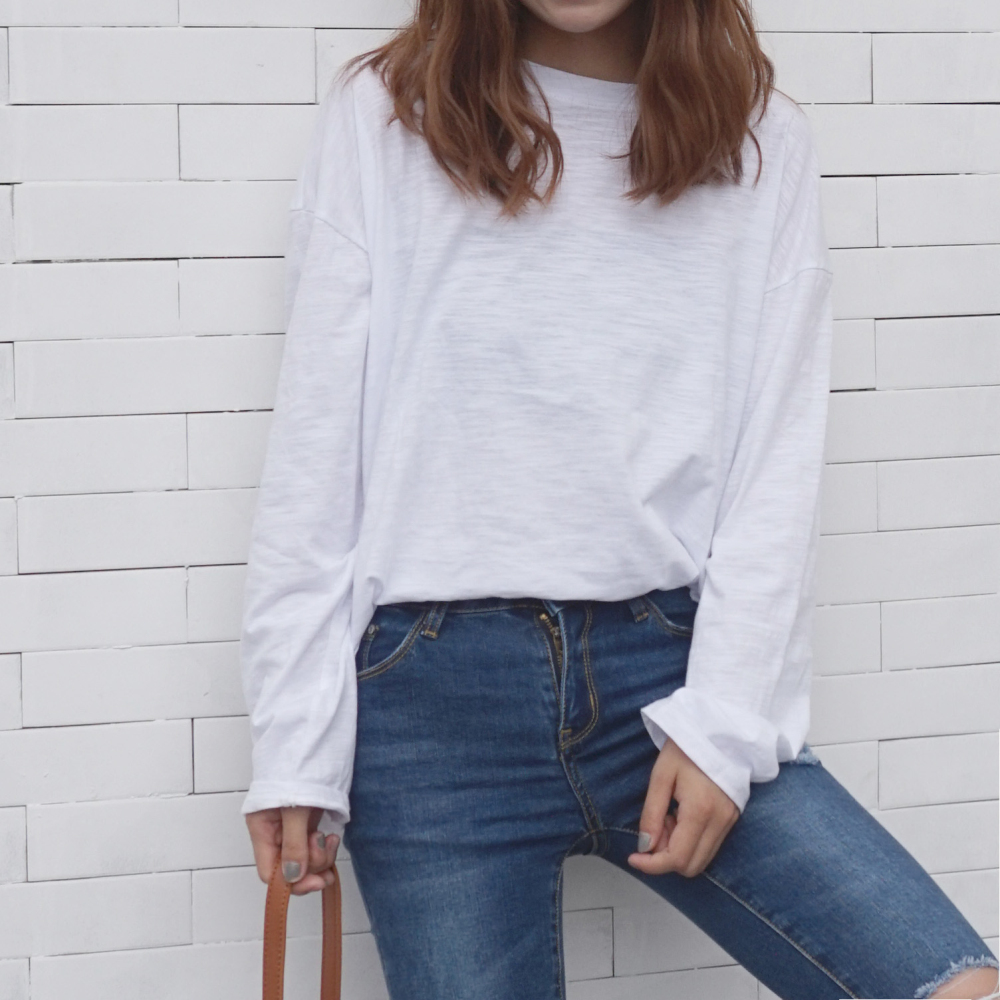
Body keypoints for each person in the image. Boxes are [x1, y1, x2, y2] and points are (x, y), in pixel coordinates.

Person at [238, 0, 1000, 996]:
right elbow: (316, 450)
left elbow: (773, 466)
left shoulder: (760, 138)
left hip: (670, 674)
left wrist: (723, 726)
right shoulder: (386, 117)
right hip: (432, 712)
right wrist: (295, 743)